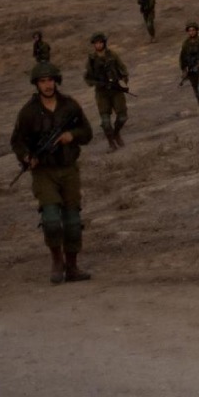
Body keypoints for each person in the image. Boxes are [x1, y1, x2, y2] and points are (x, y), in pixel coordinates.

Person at [11, 62, 95, 284]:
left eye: (50, 80)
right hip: (44, 172)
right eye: (42, 81)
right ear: (36, 84)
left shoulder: (69, 106)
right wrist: (27, 157)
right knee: (50, 219)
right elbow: (17, 142)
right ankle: (57, 261)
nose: (47, 85)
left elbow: (87, 133)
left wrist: (71, 136)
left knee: (73, 221)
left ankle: (73, 266)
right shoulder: (28, 112)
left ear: (56, 81)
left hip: (68, 170)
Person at [83, 32, 129, 150]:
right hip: (101, 93)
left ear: (104, 43)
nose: (98, 45)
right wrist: (97, 83)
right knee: (105, 121)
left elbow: (122, 67)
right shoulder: (92, 59)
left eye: (100, 42)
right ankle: (111, 143)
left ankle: (116, 133)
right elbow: (87, 77)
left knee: (122, 117)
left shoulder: (112, 55)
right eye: (96, 43)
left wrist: (124, 76)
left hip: (115, 89)